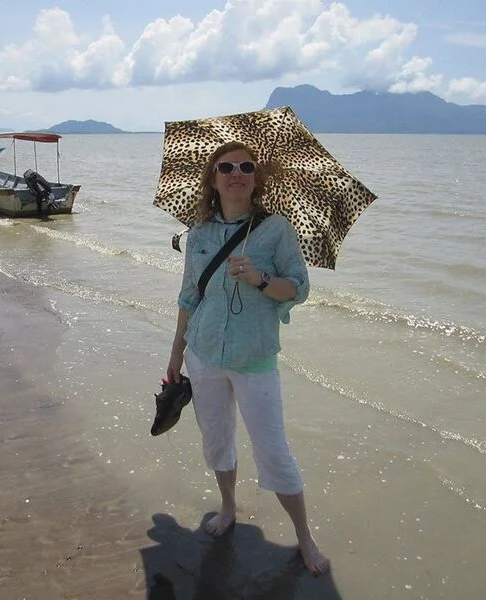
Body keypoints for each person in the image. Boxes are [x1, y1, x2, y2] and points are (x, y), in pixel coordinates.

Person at [166, 141, 330, 575]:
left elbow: (298, 287)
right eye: (225, 167)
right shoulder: (199, 234)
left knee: (274, 451)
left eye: (245, 166)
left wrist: (259, 278)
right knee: (216, 439)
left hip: (254, 356)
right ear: (212, 178)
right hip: (203, 352)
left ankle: (305, 538)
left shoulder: (275, 229)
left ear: (256, 178)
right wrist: (175, 355)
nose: (235, 173)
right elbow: (188, 297)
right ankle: (227, 506)